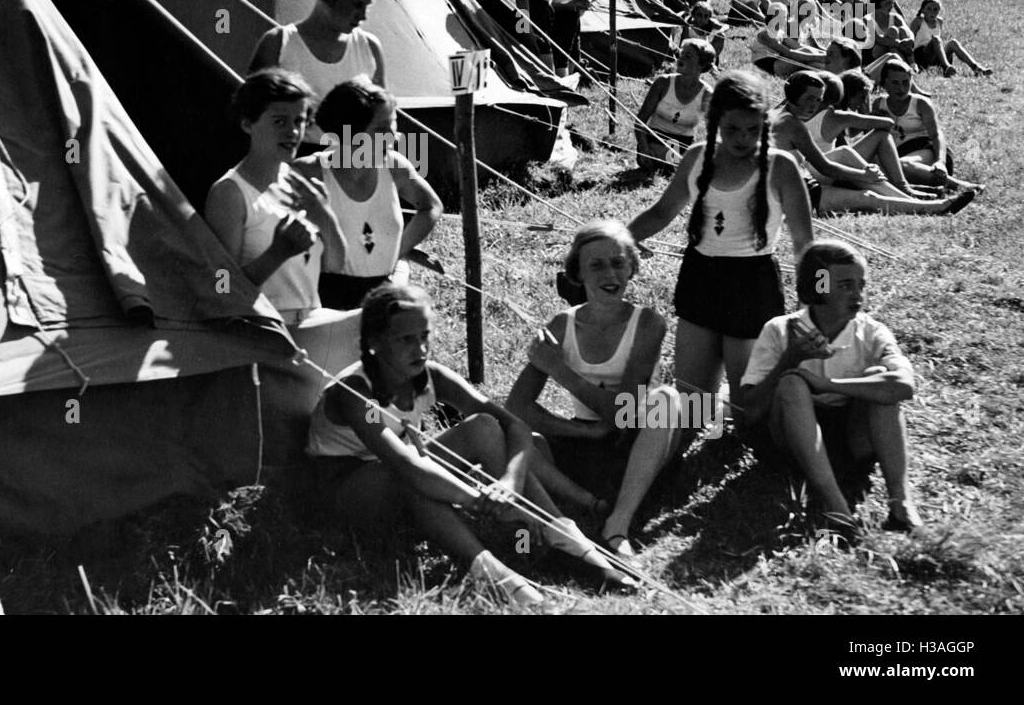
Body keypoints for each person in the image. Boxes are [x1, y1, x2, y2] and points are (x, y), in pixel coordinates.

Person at [306, 283, 636, 607]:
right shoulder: (355, 393)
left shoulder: (430, 375)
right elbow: (405, 465)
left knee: (485, 427)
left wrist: (509, 482)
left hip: (402, 473)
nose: (420, 349)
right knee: (417, 478)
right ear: (375, 342)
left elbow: (513, 425)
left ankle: (557, 536)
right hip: (350, 497)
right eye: (405, 340)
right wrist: (479, 500)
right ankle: (495, 574)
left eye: (424, 337)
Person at [628, 72, 814, 406]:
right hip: (700, 278)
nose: (742, 139)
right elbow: (661, 213)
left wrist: (812, 306)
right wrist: (622, 239)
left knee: (748, 413)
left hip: (752, 285)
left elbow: (806, 247)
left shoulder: (781, 167)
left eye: (752, 130)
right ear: (714, 122)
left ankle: (738, 402)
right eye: (731, 129)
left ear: (765, 124)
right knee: (693, 407)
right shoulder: (696, 158)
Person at [507, 222, 682, 559]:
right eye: (596, 265)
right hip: (587, 443)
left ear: (632, 267)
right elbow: (517, 406)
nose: (609, 273)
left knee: (667, 400)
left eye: (618, 262)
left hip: (637, 441)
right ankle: (588, 503)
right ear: (578, 273)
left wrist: (560, 370)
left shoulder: (648, 324)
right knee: (515, 438)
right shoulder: (561, 325)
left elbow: (623, 413)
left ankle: (618, 522)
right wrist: (582, 432)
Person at [740, 241, 923, 537]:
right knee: (791, 382)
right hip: (793, 440)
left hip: (853, 440)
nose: (858, 294)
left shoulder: (871, 331)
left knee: (881, 378)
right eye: (846, 285)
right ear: (819, 286)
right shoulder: (780, 330)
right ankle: (837, 507)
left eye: (861, 285)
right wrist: (791, 359)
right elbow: (751, 412)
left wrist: (828, 385)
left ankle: (901, 503)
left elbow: (904, 386)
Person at [298, 78, 442, 311]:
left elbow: (431, 207)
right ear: (351, 131)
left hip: (382, 292)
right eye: (382, 129)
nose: (394, 137)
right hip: (322, 298)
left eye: (393, 125)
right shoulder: (309, 172)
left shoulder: (395, 166)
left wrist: (399, 250)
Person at [773, 70, 976, 215]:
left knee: (846, 156)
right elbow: (825, 167)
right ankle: (930, 206)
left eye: (818, 100)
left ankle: (916, 201)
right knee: (868, 198)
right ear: (793, 95)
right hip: (793, 193)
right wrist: (864, 174)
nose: (814, 106)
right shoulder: (792, 125)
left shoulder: (780, 115)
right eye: (809, 98)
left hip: (801, 182)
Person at [250, 0, 386, 141]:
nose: (363, 16)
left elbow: (383, 119)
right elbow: (253, 119)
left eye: (368, 6)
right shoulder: (278, 44)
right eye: (357, 4)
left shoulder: (370, 48)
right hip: (295, 162)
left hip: (354, 163)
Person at [872, 58, 981, 192]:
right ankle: (925, 190)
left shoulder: (920, 104)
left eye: (905, 82)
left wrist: (940, 162)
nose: (901, 88)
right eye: (895, 83)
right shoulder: (879, 104)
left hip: (928, 149)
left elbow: (936, 135)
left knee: (902, 165)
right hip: (897, 153)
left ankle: (961, 186)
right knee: (880, 168)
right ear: (885, 84)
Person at [635, 40, 715, 172]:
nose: (681, 58)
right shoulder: (663, 82)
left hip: (683, 144)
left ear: (701, 65)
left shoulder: (707, 94)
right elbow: (640, 121)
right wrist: (644, 149)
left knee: (682, 163)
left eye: (688, 56)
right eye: (681, 54)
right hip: (653, 140)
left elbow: (712, 132)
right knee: (669, 161)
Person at [908, 0, 992, 77]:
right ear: (923, 10)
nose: (932, 12)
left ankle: (976, 67)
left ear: (939, 10)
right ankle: (947, 67)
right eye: (929, 9)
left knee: (953, 43)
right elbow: (908, 41)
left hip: (936, 56)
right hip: (921, 56)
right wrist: (911, 62)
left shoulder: (939, 22)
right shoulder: (918, 21)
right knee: (936, 39)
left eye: (935, 9)